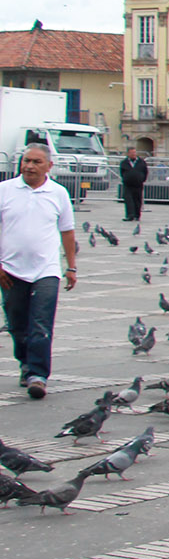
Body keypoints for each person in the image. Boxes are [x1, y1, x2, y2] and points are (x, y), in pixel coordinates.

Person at [0, 145, 78, 400]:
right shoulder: (5, 190)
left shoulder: (58, 193)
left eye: (36, 162)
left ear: (49, 166)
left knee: (41, 324)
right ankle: (25, 362)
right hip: (11, 270)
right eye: (26, 161)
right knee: (17, 324)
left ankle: (38, 375)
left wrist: (71, 267)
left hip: (46, 270)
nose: (29, 166)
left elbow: (67, 231)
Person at [117, 147, 148, 222]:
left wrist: (142, 179)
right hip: (128, 185)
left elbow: (145, 171)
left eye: (134, 152)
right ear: (128, 153)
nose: (134, 154)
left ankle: (137, 215)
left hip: (138, 184)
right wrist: (125, 178)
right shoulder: (124, 162)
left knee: (138, 200)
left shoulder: (141, 162)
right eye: (132, 153)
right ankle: (130, 215)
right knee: (128, 200)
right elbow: (122, 172)